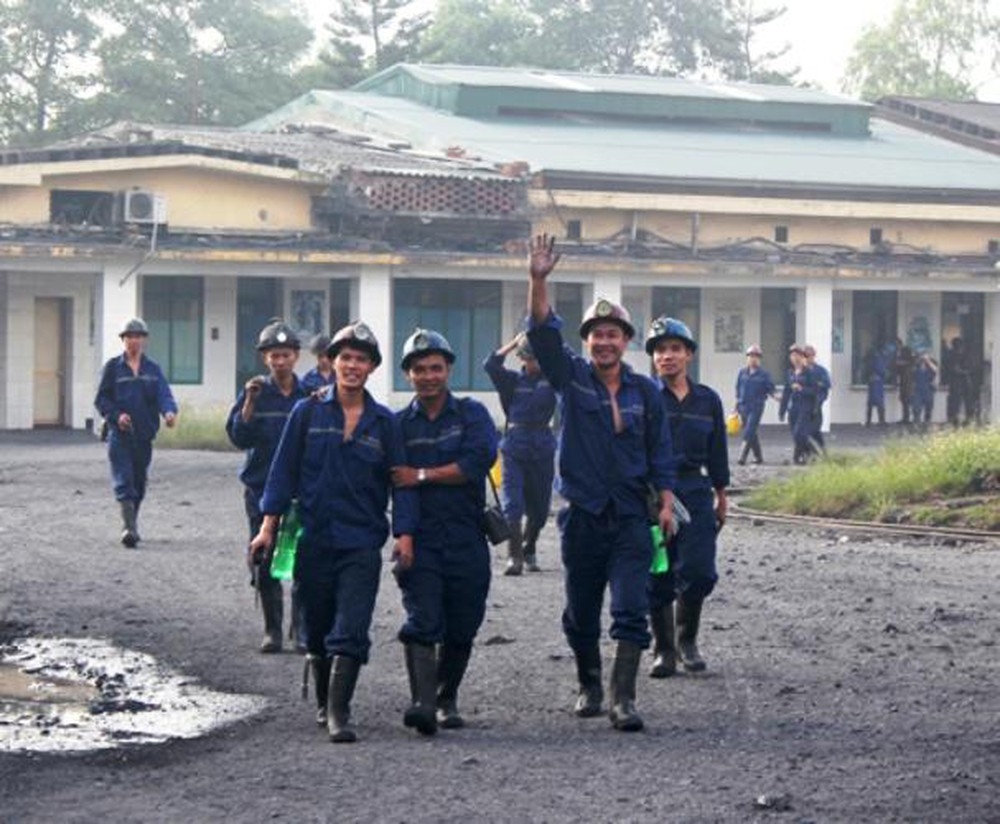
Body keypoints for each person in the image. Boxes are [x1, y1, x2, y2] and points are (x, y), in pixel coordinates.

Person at [526, 234, 676, 733]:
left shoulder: (646, 391)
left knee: (631, 606)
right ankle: (590, 683)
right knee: (581, 611)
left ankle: (622, 699)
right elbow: (545, 334)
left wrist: (667, 501)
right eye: (596, 334)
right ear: (586, 342)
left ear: (626, 341)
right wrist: (538, 280)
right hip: (583, 514)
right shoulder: (570, 378)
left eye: (613, 334)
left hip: (632, 514)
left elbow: (660, 451)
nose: (604, 341)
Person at [249, 322, 417, 743]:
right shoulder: (307, 412)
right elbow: (282, 472)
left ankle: (341, 711)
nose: (352, 366)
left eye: (361, 359)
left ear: (372, 368)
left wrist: (405, 535)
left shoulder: (385, 424)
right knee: (317, 624)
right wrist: (267, 528)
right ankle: (324, 702)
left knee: (352, 624)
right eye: (346, 358)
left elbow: (401, 482)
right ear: (332, 363)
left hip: (361, 539)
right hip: (312, 538)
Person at [391, 328, 497, 736]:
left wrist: (421, 474)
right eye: (420, 369)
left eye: (436, 367)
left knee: (463, 622)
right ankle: (423, 703)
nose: (429, 375)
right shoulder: (398, 425)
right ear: (408, 375)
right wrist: (404, 537)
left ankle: (446, 696)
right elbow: (398, 486)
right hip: (421, 535)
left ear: (449, 369)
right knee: (422, 618)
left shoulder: (473, 415)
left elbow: (474, 463)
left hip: (467, 534)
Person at [645, 316, 729, 677]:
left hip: (695, 491)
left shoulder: (707, 400)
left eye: (675, 349)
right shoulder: (645, 397)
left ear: (689, 355)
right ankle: (664, 648)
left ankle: (687, 639)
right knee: (659, 572)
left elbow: (718, 450)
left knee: (700, 571)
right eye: (660, 350)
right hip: (652, 494)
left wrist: (721, 494)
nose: (667, 356)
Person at [226, 320, 308, 654]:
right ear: (265, 359)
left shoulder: (309, 395)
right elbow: (237, 437)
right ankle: (272, 629)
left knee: (304, 559)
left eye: (285, 354)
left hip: (301, 491)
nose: (280, 361)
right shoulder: (255, 392)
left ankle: (300, 629)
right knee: (264, 556)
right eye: (274, 355)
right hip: (261, 488)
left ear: (296, 357)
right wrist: (248, 404)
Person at [94, 317, 178, 548]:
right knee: (124, 479)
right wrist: (116, 416)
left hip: (144, 434)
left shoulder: (153, 369)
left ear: (145, 340)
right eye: (130, 336)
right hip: (119, 435)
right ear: (123, 340)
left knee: (139, 482)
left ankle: (133, 523)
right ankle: (128, 528)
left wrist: (169, 412)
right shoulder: (113, 368)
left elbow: (164, 394)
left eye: (138, 336)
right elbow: (101, 399)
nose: (134, 341)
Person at [483, 332, 557, 575]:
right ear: (522, 358)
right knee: (512, 503)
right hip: (515, 445)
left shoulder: (553, 380)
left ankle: (529, 545)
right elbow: (490, 364)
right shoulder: (512, 381)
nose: (534, 364)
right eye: (529, 358)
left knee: (540, 508)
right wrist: (515, 342)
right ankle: (514, 557)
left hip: (543, 446)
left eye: (538, 359)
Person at [734, 344, 776, 465]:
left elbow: (771, 389)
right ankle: (758, 457)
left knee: (749, 430)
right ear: (747, 358)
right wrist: (735, 408)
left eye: (756, 356)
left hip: (756, 407)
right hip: (743, 406)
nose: (753, 358)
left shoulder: (764, 374)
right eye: (751, 356)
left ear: (760, 359)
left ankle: (742, 457)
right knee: (751, 432)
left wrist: (777, 397)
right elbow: (738, 391)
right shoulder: (742, 373)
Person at [778, 343, 819, 464]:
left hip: (805, 406)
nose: (795, 358)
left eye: (797, 355)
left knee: (798, 433)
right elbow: (786, 393)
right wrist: (782, 410)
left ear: (802, 357)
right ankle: (806, 455)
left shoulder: (809, 372)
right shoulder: (790, 373)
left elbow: (815, 391)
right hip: (793, 407)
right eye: (792, 355)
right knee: (795, 434)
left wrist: (802, 389)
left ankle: (802, 455)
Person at [802, 344, 830, 456]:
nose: (808, 358)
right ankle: (808, 455)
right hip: (803, 406)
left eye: (810, 356)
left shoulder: (821, 371)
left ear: (814, 356)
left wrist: (815, 386)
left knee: (814, 431)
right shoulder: (800, 371)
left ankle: (822, 453)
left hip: (816, 406)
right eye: (805, 356)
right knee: (804, 432)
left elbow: (826, 385)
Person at [945, 336, 973, 427]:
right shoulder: (951, 355)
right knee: (955, 402)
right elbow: (952, 369)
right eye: (956, 345)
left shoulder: (966, 355)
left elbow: (970, 369)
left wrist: (962, 371)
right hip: (955, 383)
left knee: (967, 401)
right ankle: (955, 420)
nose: (959, 347)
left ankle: (968, 419)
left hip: (965, 382)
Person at [911, 349, 938, 430]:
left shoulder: (932, 363)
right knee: (916, 408)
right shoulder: (917, 364)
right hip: (918, 389)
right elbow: (912, 372)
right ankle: (916, 424)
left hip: (928, 389)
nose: (923, 357)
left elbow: (935, 370)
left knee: (928, 408)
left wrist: (928, 361)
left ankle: (927, 423)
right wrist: (918, 361)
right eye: (922, 355)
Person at [864, 343, 888, 426]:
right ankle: (881, 421)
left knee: (871, 402)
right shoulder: (879, 359)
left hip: (872, 382)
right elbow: (882, 371)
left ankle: (868, 421)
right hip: (878, 382)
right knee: (879, 402)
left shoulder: (870, 359)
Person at [894, 338, 916, 425]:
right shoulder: (897, 353)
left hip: (908, 378)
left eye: (896, 345)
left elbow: (911, 361)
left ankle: (908, 418)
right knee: (903, 399)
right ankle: (904, 418)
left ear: (899, 344)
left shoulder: (906, 350)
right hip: (902, 378)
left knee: (907, 398)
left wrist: (901, 363)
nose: (896, 347)